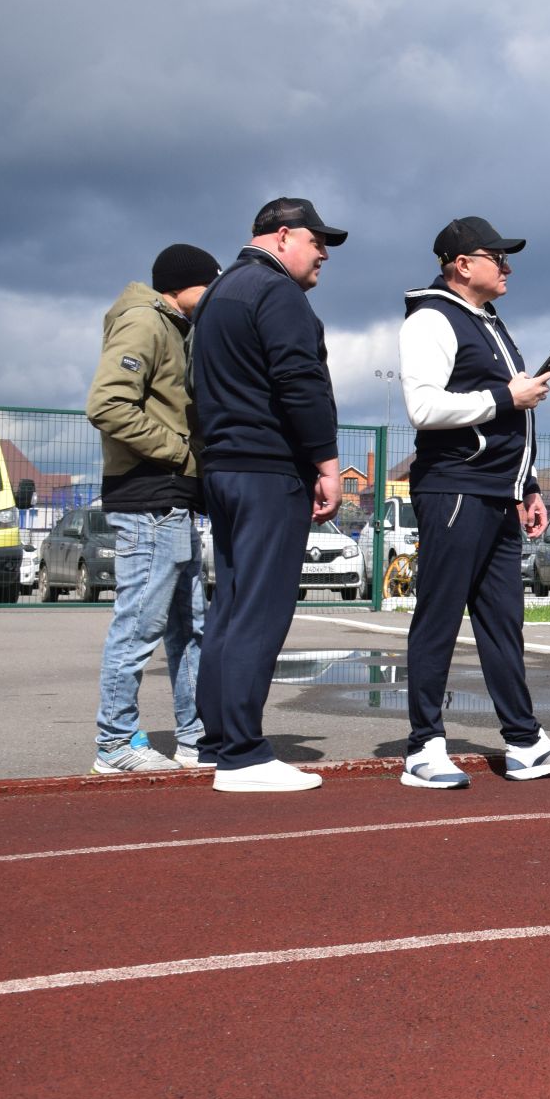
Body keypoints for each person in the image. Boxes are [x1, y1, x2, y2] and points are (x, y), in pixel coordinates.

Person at [393, 216, 550, 789]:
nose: (507, 266)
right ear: (462, 264)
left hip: (497, 493)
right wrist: (509, 395)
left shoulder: (488, 319)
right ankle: (423, 746)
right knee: (437, 618)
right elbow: (424, 409)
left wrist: (527, 485)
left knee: (503, 623)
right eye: (496, 256)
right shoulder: (431, 318)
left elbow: (509, 422)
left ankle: (524, 742)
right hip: (454, 487)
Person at [190, 197, 347, 793]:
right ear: (282, 237)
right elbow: (297, 379)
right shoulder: (277, 293)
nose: (324, 253)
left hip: (225, 467)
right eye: (317, 240)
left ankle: (215, 741)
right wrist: (326, 462)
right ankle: (243, 755)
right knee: (260, 607)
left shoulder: (218, 293)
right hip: (266, 468)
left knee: (231, 604)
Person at [84, 244, 221, 773]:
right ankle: (114, 744)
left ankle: (194, 738)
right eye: (209, 286)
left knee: (189, 626)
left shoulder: (176, 326)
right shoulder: (144, 321)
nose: (214, 297)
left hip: (172, 499)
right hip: (149, 496)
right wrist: (179, 453)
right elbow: (106, 403)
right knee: (139, 624)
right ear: (182, 285)